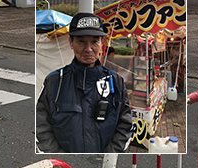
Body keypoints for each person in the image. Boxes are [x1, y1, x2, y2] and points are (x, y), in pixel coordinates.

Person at [36, 13, 132, 153]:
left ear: (102, 43)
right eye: (81, 41)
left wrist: (106, 158)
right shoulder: (55, 81)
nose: (88, 49)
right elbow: (42, 125)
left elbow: (125, 125)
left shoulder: (116, 81)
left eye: (94, 41)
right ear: (71, 43)